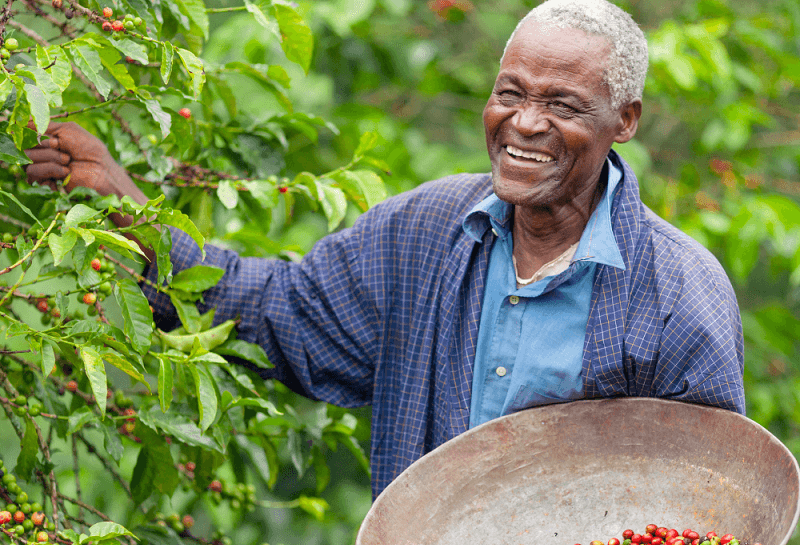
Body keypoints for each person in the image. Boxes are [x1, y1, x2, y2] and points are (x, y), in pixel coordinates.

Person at [24, 0, 744, 499]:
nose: (525, 124)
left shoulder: (677, 294)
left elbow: (714, 503)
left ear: (626, 121)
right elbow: (281, 312)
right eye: (510, 93)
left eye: (562, 105)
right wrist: (136, 218)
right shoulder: (426, 233)